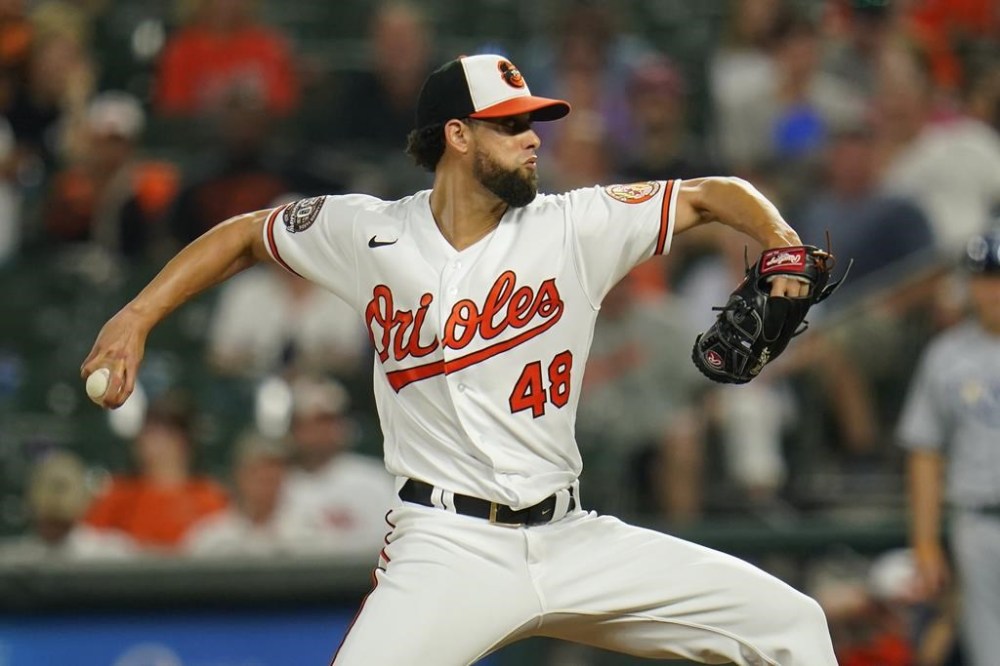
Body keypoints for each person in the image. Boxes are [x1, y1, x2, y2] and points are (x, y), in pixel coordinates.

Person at [81, 54, 836, 664]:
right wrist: (138, 313)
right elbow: (247, 232)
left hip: (573, 535)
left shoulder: (574, 225)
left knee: (793, 626)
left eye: (534, 122)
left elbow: (712, 193)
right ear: (458, 135)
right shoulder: (368, 233)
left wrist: (782, 243)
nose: (534, 137)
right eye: (511, 126)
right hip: (447, 545)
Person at [897, 228, 1000, 666]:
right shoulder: (947, 355)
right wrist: (925, 543)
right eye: (985, 277)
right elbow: (924, 452)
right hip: (979, 522)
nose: (993, 289)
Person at [83, 392, 229, 552]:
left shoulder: (208, 497)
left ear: (183, 442)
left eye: (161, 433)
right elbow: (88, 545)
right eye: (148, 432)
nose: (149, 442)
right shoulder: (119, 495)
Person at [280, 376, 396, 557]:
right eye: (315, 422)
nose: (322, 432)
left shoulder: (372, 479)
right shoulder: (275, 481)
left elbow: (394, 544)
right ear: (295, 428)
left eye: (330, 422)